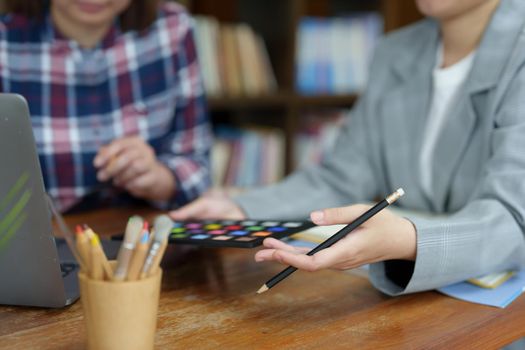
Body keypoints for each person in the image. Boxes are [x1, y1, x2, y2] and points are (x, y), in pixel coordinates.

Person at [171, 0, 525, 296]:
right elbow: (342, 178)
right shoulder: (396, 51)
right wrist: (242, 207)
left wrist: (410, 241)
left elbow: (513, 220)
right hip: (410, 306)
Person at [0, 0, 211, 212]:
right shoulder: (5, 43)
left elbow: (198, 168)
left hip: (144, 234)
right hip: (42, 239)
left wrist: (159, 178)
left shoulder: (173, 30)